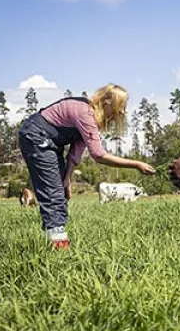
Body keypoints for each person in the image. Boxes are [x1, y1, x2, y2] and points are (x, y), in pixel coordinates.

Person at [18, 83, 156, 249]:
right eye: (120, 107)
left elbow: (76, 152)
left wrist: (67, 178)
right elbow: (99, 155)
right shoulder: (86, 114)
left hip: (51, 142)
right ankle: (59, 249)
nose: (122, 112)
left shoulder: (92, 120)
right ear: (107, 102)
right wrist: (136, 164)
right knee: (53, 195)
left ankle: (51, 242)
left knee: (59, 193)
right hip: (36, 136)